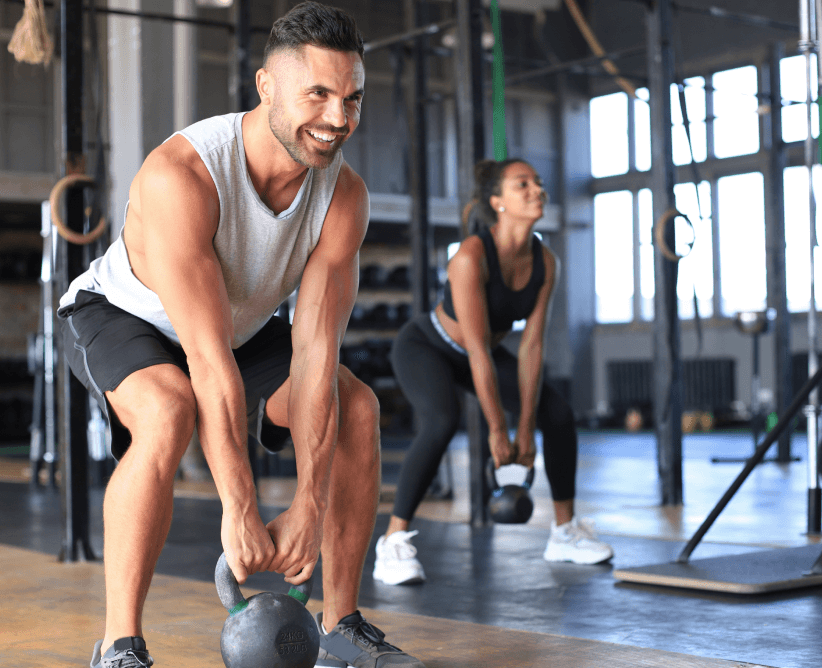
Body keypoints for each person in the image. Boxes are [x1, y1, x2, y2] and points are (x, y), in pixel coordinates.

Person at [57, 3, 424, 667]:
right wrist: (240, 507)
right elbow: (204, 358)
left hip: (241, 325)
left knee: (358, 409)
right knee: (168, 411)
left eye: (352, 98)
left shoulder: (342, 198)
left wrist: (306, 505)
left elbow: (315, 354)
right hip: (125, 314)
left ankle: (341, 626)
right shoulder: (184, 176)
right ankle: (118, 643)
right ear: (265, 87)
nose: (337, 119)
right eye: (317, 94)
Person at [373, 159, 614, 586]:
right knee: (441, 420)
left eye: (538, 183)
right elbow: (479, 349)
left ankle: (564, 532)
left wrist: (526, 430)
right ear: (497, 202)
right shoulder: (470, 256)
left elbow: (532, 346)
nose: (537, 190)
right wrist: (498, 430)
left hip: (480, 351)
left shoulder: (545, 262)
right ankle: (391, 543)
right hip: (427, 346)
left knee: (556, 414)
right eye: (523, 185)